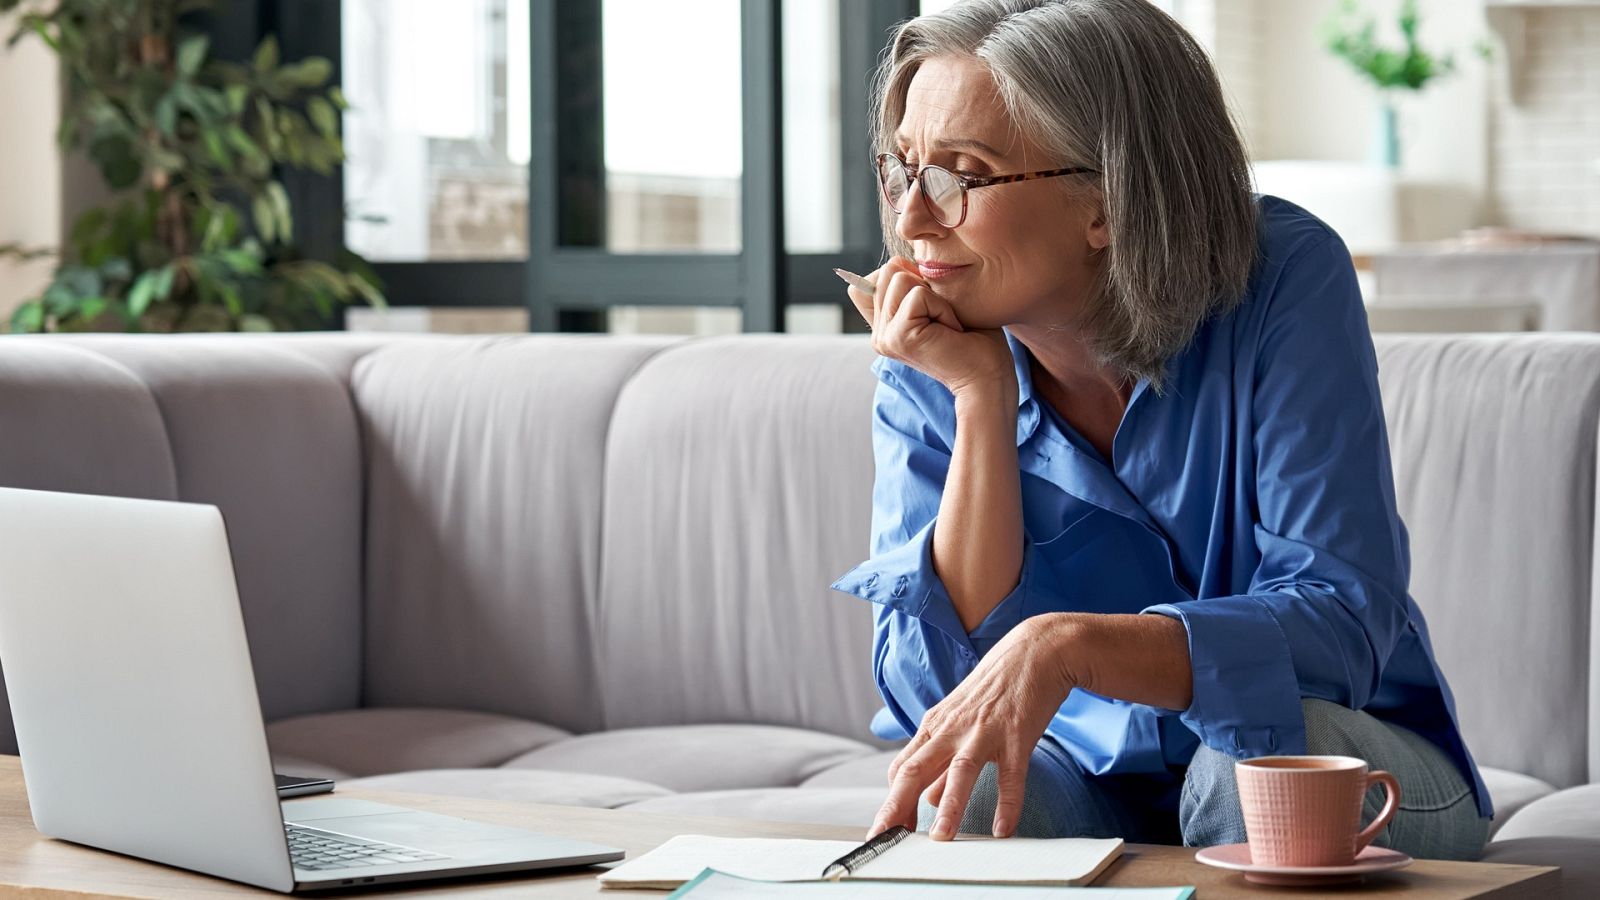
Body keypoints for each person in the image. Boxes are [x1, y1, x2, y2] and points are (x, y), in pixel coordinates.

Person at [829, 0, 1492, 860]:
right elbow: (938, 697)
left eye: (961, 174)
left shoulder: (1285, 278)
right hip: (1087, 776)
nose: (913, 219)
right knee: (977, 789)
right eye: (902, 168)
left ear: (1107, 202)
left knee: (1247, 769)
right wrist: (980, 403)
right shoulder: (932, 351)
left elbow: (1341, 625)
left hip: (1342, 754)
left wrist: (1072, 646)